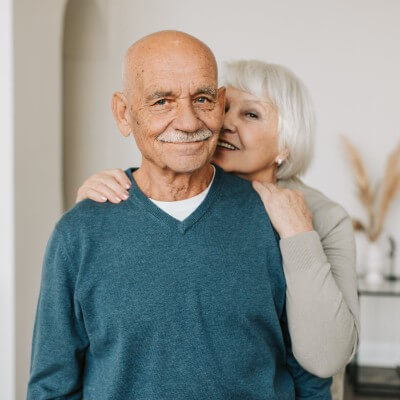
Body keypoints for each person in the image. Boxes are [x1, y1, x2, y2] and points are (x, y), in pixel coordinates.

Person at [28, 31, 332, 399]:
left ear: (220, 105)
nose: (188, 122)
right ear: (124, 113)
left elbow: (311, 377)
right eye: (162, 101)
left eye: (202, 99)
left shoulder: (276, 220)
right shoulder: (78, 233)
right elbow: (52, 386)